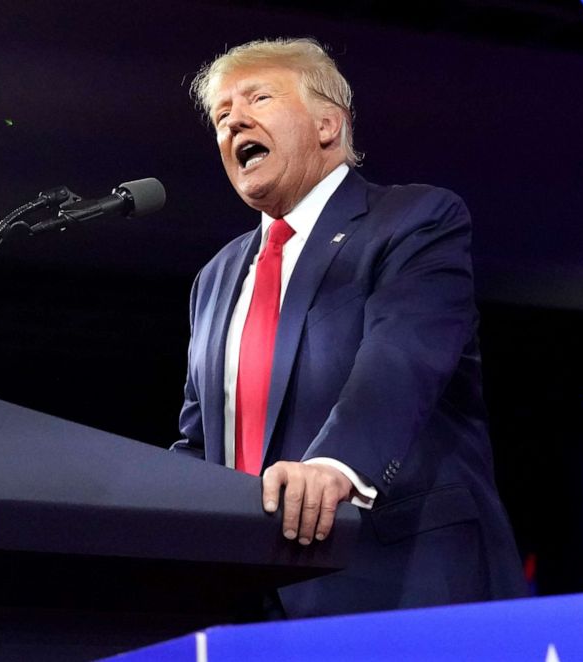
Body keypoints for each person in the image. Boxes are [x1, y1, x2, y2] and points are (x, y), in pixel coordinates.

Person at [171, 37, 527, 617]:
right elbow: (200, 440)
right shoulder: (215, 277)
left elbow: (402, 358)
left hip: (397, 581)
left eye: (258, 98)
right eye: (220, 116)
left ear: (328, 125)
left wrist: (336, 464)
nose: (234, 121)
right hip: (246, 598)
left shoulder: (414, 220)